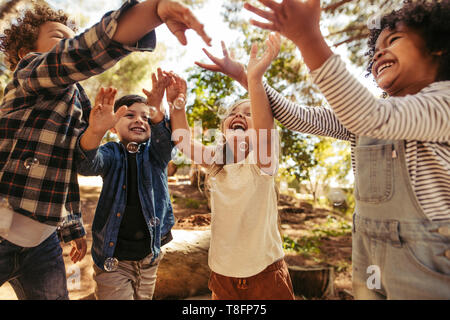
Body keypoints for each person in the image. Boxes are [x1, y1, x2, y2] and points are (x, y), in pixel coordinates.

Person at [198, 0, 450, 299]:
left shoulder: (443, 102)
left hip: (429, 263)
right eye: (376, 47)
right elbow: (298, 116)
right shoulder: (367, 115)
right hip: (371, 257)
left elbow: (372, 116)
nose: (379, 51)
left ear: (437, 46)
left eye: (393, 39)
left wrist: (309, 39)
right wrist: (248, 77)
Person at [0, 0, 210, 300]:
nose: (68, 43)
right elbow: (76, 56)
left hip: (42, 241)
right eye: (60, 38)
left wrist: (72, 227)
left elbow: (64, 167)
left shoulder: (80, 102)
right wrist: (150, 13)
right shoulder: (28, 75)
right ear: (25, 53)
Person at [167, 34, 295, 300]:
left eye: (249, 113)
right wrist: (177, 104)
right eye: (234, 113)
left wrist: (254, 79)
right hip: (223, 275)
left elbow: (264, 127)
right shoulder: (217, 163)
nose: (239, 115)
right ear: (224, 129)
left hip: (265, 275)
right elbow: (183, 141)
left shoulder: (262, 162)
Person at [76, 69, 174, 300]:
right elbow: (87, 165)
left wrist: (158, 111)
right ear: (113, 126)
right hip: (113, 260)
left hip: (149, 258)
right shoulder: (111, 152)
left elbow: (165, 143)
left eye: (146, 117)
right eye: (129, 115)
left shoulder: (155, 154)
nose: (140, 120)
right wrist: (95, 131)